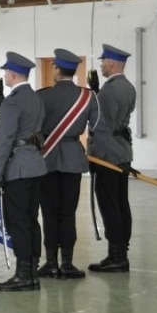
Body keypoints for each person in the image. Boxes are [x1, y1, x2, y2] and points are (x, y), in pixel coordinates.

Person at [37, 50, 99, 279]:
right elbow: (98, 126)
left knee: (50, 212)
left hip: (47, 158)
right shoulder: (88, 96)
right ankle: (68, 264)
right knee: (68, 212)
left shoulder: (41, 96)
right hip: (73, 157)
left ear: (56, 69)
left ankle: (51, 262)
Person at [0, 52, 47, 291]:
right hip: (35, 165)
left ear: (12, 75)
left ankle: (24, 274)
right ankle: (32, 271)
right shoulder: (35, 98)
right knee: (31, 219)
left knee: (17, 222)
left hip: (18, 168)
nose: (4, 76)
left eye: (6, 73)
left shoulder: (12, 101)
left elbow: (4, 139)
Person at [88, 44, 136, 273]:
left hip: (107, 155)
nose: (100, 66)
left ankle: (116, 257)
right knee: (121, 203)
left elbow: (102, 125)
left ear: (110, 63)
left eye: (102, 62)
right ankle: (120, 252)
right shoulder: (128, 87)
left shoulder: (108, 91)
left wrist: (95, 96)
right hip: (123, 152)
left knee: (109, 205)